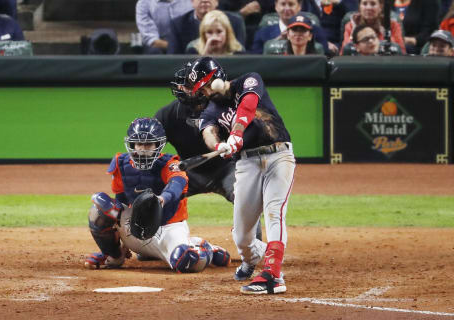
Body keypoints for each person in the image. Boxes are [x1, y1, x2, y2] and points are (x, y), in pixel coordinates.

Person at [182, 57, 296, 294]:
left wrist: (236, 133)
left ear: (217, 77)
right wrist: (219, 146)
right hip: (247, 163)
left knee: (275, 212)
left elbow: (248, 105)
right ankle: (254, 258)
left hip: (279, 155)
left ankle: (273, 275)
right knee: (243, 237)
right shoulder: (210, 111)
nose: (203, 91)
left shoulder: (249, 80)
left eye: (205, 84)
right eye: (199, 89)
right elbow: (208, 132)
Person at [84, 117, 231, 273]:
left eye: (148, 144)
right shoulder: (121, 164)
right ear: (132, 144)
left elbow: (177, 185)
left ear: (158, 145)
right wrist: (122, 239)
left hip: (168, 228)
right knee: (100, 209)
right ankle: (113, 256)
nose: (142, 149)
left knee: (187, 262)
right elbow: (122, 202)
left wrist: (162, 198)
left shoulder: (170, 164)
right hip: (136, 226)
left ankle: (204, 248)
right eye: (139, 144)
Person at [156, 65, 264, 238]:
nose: (183, 89)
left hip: (226, 169)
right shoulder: (168, 114)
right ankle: (150, 242)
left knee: (245, 195)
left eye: (188, 85)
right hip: (188, 171)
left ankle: (252, 244)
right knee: (158, 193)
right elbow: (153, 148)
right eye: (182, 86)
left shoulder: (223, 107)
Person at [250, 0, 330, 55]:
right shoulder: (263, 32)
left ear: (299, 6)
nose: (287, 8)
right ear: (276, 6)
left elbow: (325, 55)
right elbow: (256, 59)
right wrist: (275, 42)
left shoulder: (315, 31)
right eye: (283, 4)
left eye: (291, 4)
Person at [167, 0, 246, 54]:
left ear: (217, 1)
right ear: (192, 1)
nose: (204, 0)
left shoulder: (235, 21)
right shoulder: (178, 24)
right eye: (209, 32)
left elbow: (240, 56)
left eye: (219, 31)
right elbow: (173, 59)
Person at [341, 0, 405, 54]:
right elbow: (346, 51)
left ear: (381, 7)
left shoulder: (392, 25)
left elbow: (401, 52)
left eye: (373, 4)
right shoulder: (351, 24)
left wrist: (383, 33)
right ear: (359, 7)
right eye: (364, 4)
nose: (368, 8)